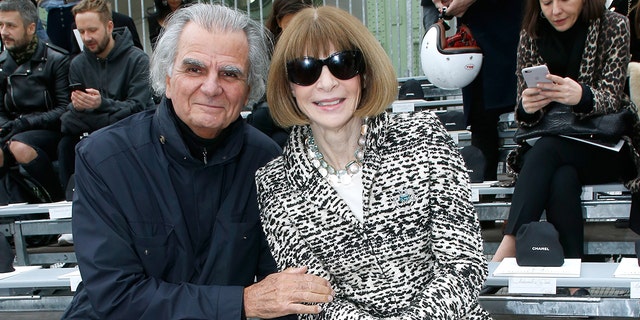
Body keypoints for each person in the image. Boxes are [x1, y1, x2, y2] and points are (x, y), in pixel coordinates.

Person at [60, 3, 334, 319]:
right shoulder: (105, 159)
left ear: (248, 90)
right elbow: (117, 297)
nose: (211, 87)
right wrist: (241, 303)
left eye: (230, 74)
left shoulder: (266, 162)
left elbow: (287, 284)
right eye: (194, 69)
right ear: (167, 73)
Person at [257, 6, 490, 318]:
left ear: (364, 74)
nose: (326, 84)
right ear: (289, 86)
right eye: (306, 70)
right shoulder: (275, 184)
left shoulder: (424, 137)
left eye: (342, 64)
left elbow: (464, 265)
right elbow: (313, 300)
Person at [485, 0, 640, 295]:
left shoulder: (615, 25)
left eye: (564, 0)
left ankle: (510, 243)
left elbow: (613, 95)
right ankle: (572, 285)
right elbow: (523, 106)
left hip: (607, 146)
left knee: (547, 150)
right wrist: (528, 106)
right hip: (557, 147)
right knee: (561, 175)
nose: (555, 10)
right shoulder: (531, 32)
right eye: (546, 2)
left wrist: (581, 95)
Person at [57, 0, 155, 193]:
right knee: (66, 143)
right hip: (93, 134)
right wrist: (81, 107)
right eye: (81, 31)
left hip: (131, 134)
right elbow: (68, 120)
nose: (87, 37)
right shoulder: (77, 64)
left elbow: (137, 109)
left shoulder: (137, 60)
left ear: (109, 26)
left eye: (92, 30)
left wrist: (101, 104)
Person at [432, 0, 523, 182]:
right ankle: (481, 197)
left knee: (528, 107)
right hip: (477, 27)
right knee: (481, 119)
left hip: (512, 20)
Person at [0, 0, 69, 202]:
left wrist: (26, 123)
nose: (4, 32)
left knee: (19, 147)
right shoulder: (2, 64)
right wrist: (6, 127)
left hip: (50, 130)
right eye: (1, 25)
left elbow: (64, 109)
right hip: (13, 130)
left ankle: (57, 202)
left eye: (11, 26)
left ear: (31, 28)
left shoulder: (56, 60)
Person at [247, 0, 313, 148]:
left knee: (280, 137)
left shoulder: (314, 44)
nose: (294, 33)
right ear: (279, 21)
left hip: (302, 106)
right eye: (290, 26)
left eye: (300, 25)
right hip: (274, 106)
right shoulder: (268, 45)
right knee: (262, 122)